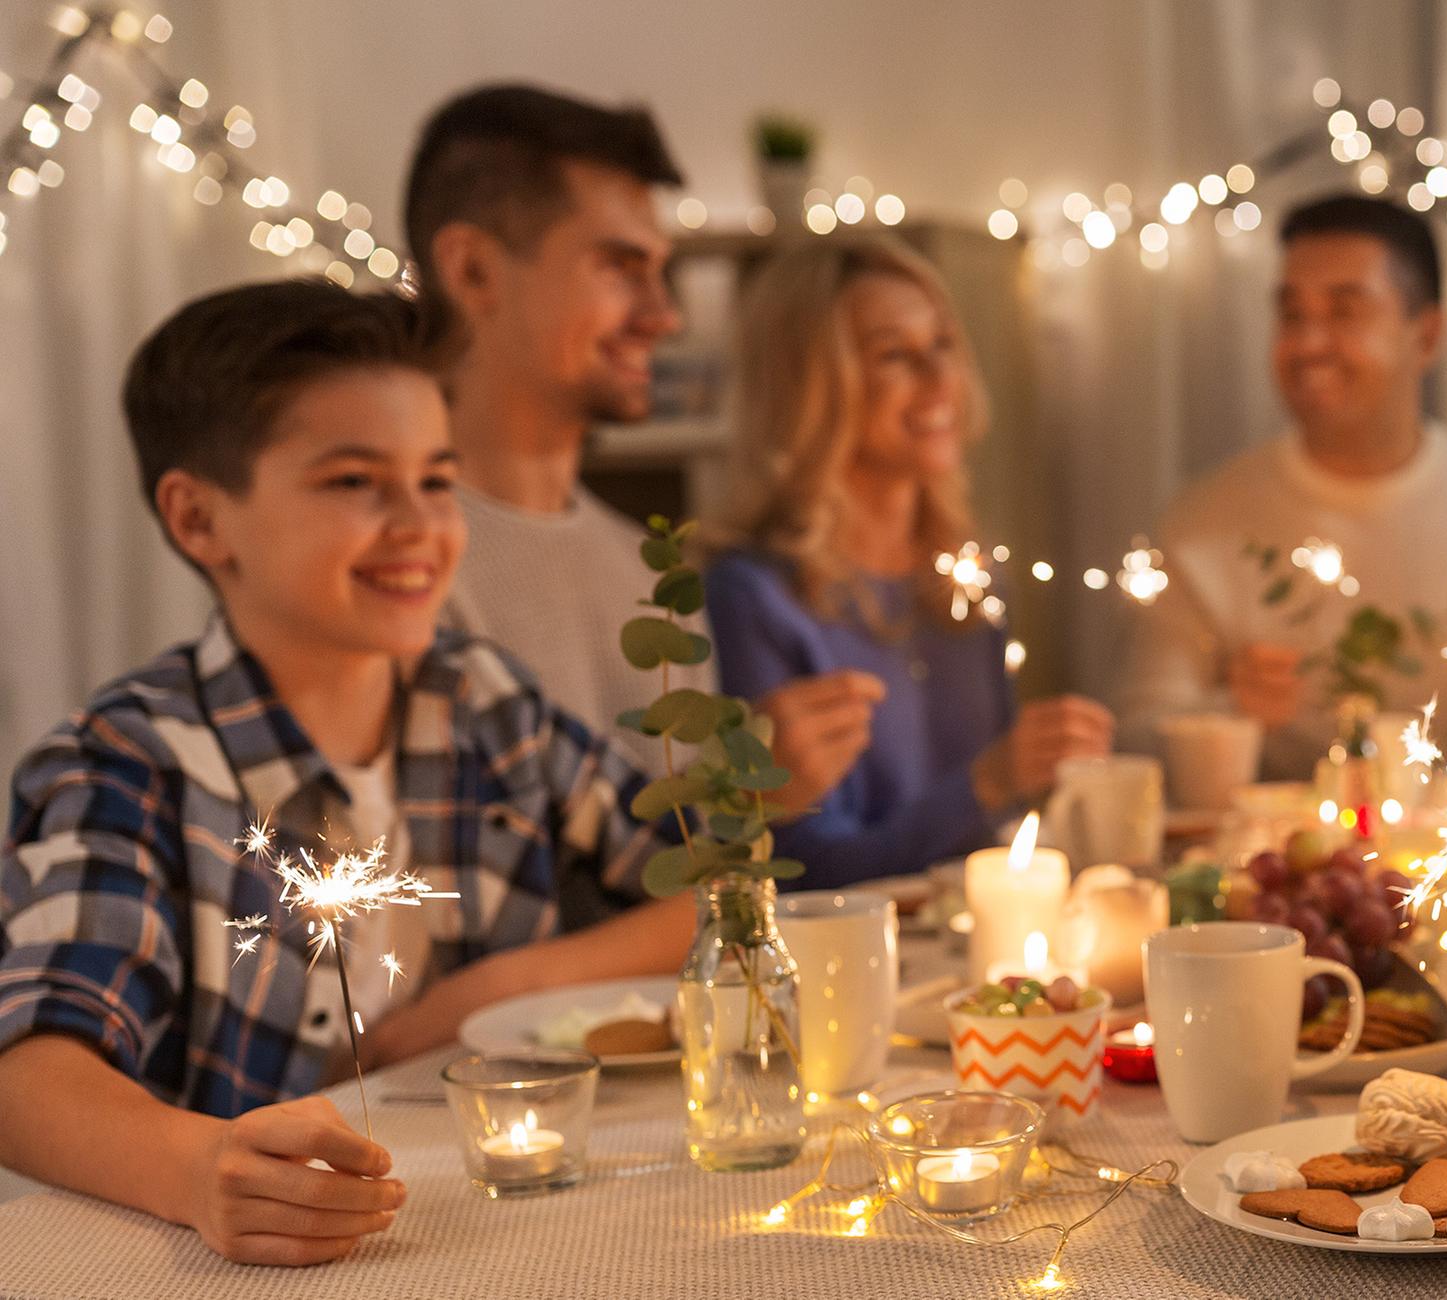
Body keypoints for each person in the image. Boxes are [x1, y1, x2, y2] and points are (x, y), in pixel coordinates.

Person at [0, 281, 694, 1265]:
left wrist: (486, 994)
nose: (417, 524)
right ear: (200, 520)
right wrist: (199, 1169)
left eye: (437, 479)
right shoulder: (133, 764)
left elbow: (706, 891)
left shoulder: (482, 702)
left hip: (498, 1234)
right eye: (355, 482)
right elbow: (28, 1076)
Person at [403, 84, 877, 831]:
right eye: (621, 267)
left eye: (660, 270)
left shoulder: (648, 569)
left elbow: (674, 881)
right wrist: (742, 795)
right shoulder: (396, 568)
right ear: (472, 272)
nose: (665, 315)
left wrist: (740, 797)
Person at [1120, 194, 1447, 779]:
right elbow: (1137, 743)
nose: (1309, 343)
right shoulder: (1206, 521)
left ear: (1427, 335)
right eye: (1291, 315)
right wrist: (1228, 714)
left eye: (1345, 312)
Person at [703, 244, 1111, 883]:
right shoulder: (754, 596)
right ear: (809, 384)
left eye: (943, 343)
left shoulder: (967, 579)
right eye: (894, 354)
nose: (938, 377)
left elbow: (994, 838)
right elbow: (803, 875)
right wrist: (990, 779)